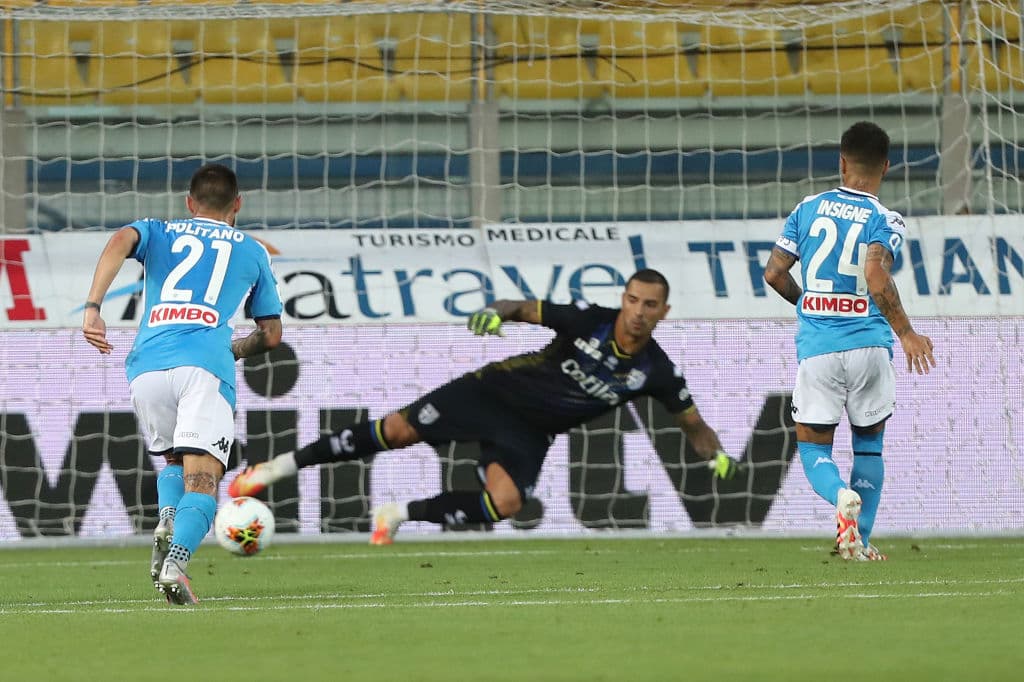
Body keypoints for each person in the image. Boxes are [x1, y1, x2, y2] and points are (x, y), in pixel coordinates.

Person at [229, 269, 737, 542]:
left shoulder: (658, 371)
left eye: (650, 306)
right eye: (633, 300)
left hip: (530, 434)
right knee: (396, 433)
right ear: (624, 299)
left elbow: (693, 425)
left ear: (663, 312)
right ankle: (274, 468)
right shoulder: (591, 321)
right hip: (489, 393)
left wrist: (712, 452)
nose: (638, 312)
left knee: (505, 505)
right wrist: (493, 316)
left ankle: (398, 514)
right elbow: (515, 306)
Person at [82, 163, 283, 603]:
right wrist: (231, 349)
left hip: (146, 366)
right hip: (204, 367)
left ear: (189, 203)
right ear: (237, 205)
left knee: (174, 460)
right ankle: (175, 562)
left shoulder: (159, 230)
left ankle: (167, 516)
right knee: (204, 479)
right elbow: (271, 335)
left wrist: (93, 307)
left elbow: (119, 240)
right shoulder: (251, 250)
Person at [763, 121, 935, 561]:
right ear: (886, 166)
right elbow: (876, 277)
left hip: (818, 349)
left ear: (841, 161)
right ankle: (859, 541)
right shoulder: (886, 219)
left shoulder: (807, 208)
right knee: (869, 446)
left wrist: (808, 305)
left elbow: (774, 273)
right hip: (870, 348)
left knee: (812, 447)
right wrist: (907, 332)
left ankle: (839, 494)